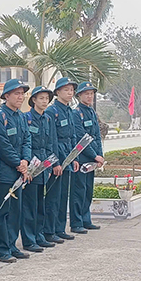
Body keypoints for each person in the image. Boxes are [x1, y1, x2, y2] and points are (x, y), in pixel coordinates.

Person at [0, 79, 32, 261]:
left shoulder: (21, 116)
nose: (20, 97)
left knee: (16, 212)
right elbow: (3, 145)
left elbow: (27, 140)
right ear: (6, 96)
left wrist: (25, 160)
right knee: (2, 212)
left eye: (22, 93)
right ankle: (2, 249)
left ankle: (12, 245)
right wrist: (19, 163)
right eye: (16, 93)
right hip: (5, 174)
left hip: (19, 172)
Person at [22, 86, 57, 252]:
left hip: (44, 167)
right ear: (33, 100)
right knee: (29, 205)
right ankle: (29, 240)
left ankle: (39, 235)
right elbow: (26, 143)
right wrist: (27, 166)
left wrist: (50, 164)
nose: (44, 101)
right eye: (41, 98)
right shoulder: (26, 118)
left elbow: (50, 144)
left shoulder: (48, 119)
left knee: (40, 204)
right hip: (31, 167)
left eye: (46, 98)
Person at [44, 77, 79, 244]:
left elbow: (73, 136)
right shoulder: (52, 111)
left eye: (71, 90)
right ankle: (49, 231)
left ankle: (60, 228)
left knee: (63, 195)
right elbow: (52, 139)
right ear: (57, 92)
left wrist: (74, 158)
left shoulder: (69, 111)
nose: (70, 92)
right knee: (53, 196)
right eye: (66, 90)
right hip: (58, 156)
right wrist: (55, 162)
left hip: (68, 155)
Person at [71, 81, 104, 233]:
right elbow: (81, 138)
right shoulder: (77, 113)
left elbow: (96, 136)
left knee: (88, 190)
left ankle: (86, 219)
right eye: (86, 93)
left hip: (92, 159)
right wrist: (94, 155)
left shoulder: (91, 112)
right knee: (79, 190)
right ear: (79, 96)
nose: (89, 96)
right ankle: (77, 222)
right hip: (82, 157)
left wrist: (100, 156)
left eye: (91, 93)